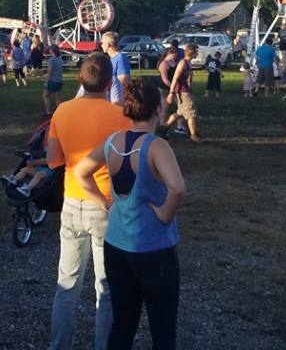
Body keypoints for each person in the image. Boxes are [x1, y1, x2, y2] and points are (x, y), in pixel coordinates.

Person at [75, 78, 185, 350]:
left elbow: (81, 172)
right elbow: (178, 188)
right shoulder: (157, 146)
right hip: (153, 248)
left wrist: (106, 203)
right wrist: (164, 215)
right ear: (158, 109)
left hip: (116, 245)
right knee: (163, 330)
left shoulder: (113, 141)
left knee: (122, 323)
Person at [47, 53, 132, 350]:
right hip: (106, 204)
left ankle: (59, 345)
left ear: (80, 80)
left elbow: (53, 160)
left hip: (72, 200)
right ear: (110, 83)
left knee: (67, 283)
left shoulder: (62, 111)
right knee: (106, 288)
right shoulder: (121, 117)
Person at [164, 44, 202, 143]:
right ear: (191, 52)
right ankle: (193, 135)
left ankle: (163, 128)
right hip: (182, 92)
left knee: (180, 113)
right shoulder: (182, 63)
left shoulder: (188, 63)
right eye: (196, 52)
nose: (197, 53)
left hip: (186, 90)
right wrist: (171, 93)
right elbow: (175, 78)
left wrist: (189, 82)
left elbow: (188, 76)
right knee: (191, 113)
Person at [101, 31, 132, 106]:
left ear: (108, 44)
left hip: (118, 101)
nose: (101, 45)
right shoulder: (111, 59)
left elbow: (123, 80)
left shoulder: (120, 58)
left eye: (102, 43)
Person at [44, 44, 64, 116]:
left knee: (46, 95)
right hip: (59, 80)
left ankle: (48, 112)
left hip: (52, 80)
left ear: (52, 50)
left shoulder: (51, 59)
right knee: (58, 97)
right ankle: (60, 112)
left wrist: (47, 81)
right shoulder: (60, 60)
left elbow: (50, 71)